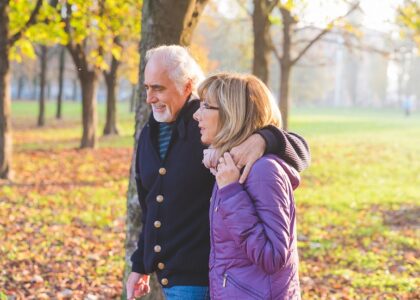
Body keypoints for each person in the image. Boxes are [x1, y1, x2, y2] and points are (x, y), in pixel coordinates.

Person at [126, 45, 309, 300]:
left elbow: (297, 151)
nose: (149, 98)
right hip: (184, 280)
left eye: (158, 88)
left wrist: (264, 139)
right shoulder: (150, 133)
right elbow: (151, 206)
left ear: (187, 86)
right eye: (147, 88)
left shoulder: (213, 126)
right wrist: (140, 265)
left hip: (208, 282)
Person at [193, 73, 301, 299]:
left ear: (231, 114)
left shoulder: (263, 171)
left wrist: (231, 193)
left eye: (206, 106)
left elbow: (272, 257)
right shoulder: (233, 167)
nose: (196, 115)